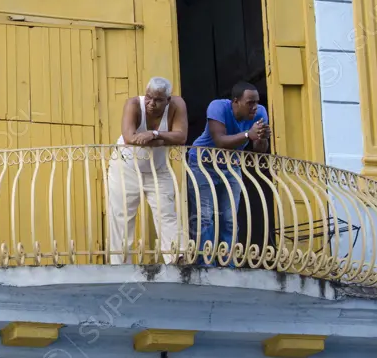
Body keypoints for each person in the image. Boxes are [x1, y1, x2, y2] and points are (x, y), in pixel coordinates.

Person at [187, 81, 270, 266]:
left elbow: (259, 150)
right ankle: (205, 263)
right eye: (250, 102)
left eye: (256, 102)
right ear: (235, 102)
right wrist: (249, 135)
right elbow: (220, 140)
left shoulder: (260, 113)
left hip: (231, 166)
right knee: (205, 216)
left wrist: (262, 137)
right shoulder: (218, 107)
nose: (255, 107)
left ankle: (228, 264)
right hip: (202, 163)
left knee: (230, 218)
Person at [107, 77, 188, 265]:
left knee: (166, 212)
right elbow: (129, 137)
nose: (151, 103)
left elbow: (181, 136)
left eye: (158, 100)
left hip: (158, 169)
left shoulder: (177, 105)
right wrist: (164, 140)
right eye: (149, 98)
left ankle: (177, 259)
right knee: (122, 216)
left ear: (168, 100)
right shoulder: (134, 104)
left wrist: (154, 134)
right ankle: (119, 266)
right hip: (125, 166)